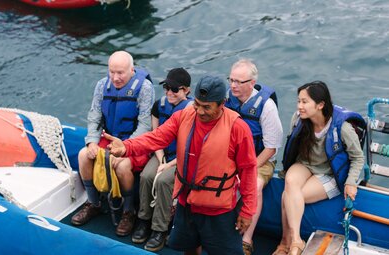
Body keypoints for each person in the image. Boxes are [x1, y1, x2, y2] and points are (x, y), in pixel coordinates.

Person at [105, 75, 257, 255]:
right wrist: (126, 146)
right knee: (189, 248)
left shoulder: (238, 128)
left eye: (207, 107)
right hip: (187, 204)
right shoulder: (184, 115)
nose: (199, 111)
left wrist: (247, 211)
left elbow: (248, 170)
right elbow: (157, 138)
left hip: (219, 211)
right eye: (197, 104)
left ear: (222, 103)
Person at [273, 81, 365, 255]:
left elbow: (358, 157)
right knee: (291, 182)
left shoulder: (342, 128)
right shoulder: (299, 119)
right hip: (305, 164)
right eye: (298, 101)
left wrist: (351, 182)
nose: (299, 106)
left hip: (329, 172)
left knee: (288, 196)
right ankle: (296, 241)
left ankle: (286, 243)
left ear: (320, 105)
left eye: (305, 102)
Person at [71, 51, 155, 237]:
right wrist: (92, 141)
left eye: (120, 73)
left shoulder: (145, 88)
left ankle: (128, 211)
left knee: (123, 165)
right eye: (112, 72)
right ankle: (94, 203)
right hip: (109, 138)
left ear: (131, 70)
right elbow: (94, 117)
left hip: (134, 141)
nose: (115, 78)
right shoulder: (102, 86)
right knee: (83, 155)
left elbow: (145, 125)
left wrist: (125, 147)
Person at [225, 59, 283, 255]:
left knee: (254, 185)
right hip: (231, 156)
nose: (233, 85)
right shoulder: (228, 100)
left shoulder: (266, 107)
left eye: (238, 82)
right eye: (231, 80)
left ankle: (246, 239)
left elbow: (271, 148)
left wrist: (248, 168)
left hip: (260, 159)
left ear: (251, 82)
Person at [131, 67, 193, 252]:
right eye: (167, 87)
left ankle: (160, 229)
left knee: (165, 180)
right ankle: (143, 220)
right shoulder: (159, 105)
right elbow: (155, 136)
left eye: (175, 89)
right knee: (146, 176)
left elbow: (190, 146)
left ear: (186, 91)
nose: (169, 92)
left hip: (181, 158)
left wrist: (168, 165)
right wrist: (161, 160)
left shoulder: (192, 111)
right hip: (162, 154)